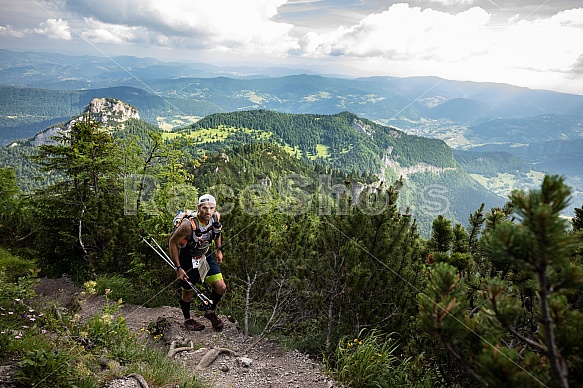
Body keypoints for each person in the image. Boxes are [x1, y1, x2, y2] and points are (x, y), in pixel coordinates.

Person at [169, 194, 226, 331]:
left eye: (211, 208)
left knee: (221, 287)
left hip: (205, 256)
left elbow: (217, 232)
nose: (208, 211)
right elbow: (172, 243)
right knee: (188, 293)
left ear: (215, 208)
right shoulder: (187, 226)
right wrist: (178, 268)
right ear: (198, 207)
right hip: (188, 260)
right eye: (204, 208)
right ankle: (188, 319)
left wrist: (218, 250)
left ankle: (210, 312)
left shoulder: (215, 217)